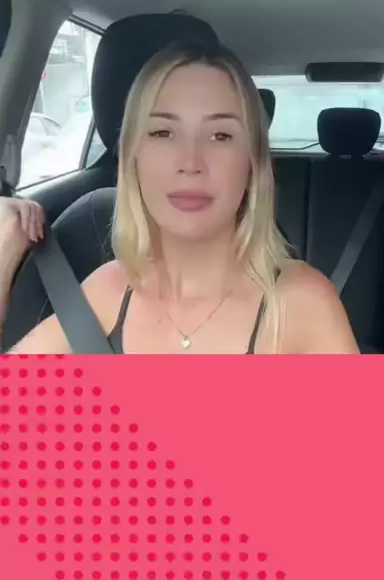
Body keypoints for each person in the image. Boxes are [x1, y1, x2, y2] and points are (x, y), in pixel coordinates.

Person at [0, 40, 359, 355]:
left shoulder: (302, 304)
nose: (190, 162)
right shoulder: (107, 291)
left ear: (252, 163)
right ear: (133, 157)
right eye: (163, 132)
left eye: (220, 136)